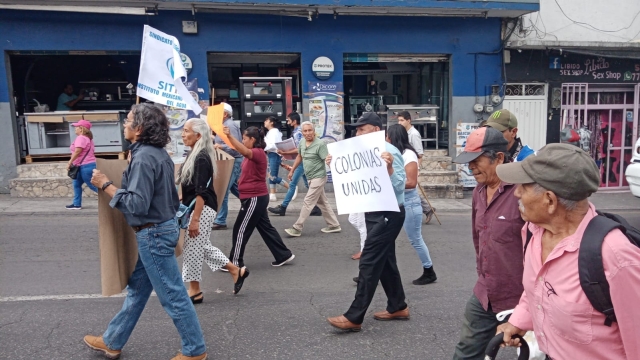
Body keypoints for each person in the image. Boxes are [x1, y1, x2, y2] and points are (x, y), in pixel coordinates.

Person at [496, 143, 640, 360]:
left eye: (523, 187)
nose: (516, 193)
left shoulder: (616, 255)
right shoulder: (533, 232)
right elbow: (537, 286)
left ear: (550, 201)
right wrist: (519, 321)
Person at [86, 103, 207, 360]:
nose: (124, 124)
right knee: (138, 290)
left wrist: (105, 184)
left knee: (173, 296)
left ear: (139, 128)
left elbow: (136, 204)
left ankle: (195, 350)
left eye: (128, 120)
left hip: (153, 234)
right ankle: (112, 340)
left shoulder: (143, 157)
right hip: (161, 229)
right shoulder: (157, 154)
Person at [326, 112, 408, 332]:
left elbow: (402, 185)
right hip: (372, 212)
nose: (357, 132)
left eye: (361, 129)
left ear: (374, 130)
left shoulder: (389, 151)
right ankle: (398, 305)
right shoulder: (357, 152)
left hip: (388, 214)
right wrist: (335, 165)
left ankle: (354, 316)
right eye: (357, 129)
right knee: (386, 261)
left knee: (369, 261)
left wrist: (389, 168)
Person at [450, 126, 525, 360]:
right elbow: (478, 238)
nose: (470, 167)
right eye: (468, 161)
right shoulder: (479, 192)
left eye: (476, 160)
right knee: (465, 354)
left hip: (524, 296)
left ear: (499, 158)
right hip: (486, 292)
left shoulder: (523, 192)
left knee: (536, 354)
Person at [178, 118, 250, 302]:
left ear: (198, 135)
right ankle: (236, 270)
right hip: (196, 207)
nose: (183, 134)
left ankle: (195, 290)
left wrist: (195, 219)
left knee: (193, 248)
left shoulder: (201, 157)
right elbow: (189, 185)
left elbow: (201, 191)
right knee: (201, 246)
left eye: (186, 131)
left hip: (201, 209)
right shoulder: (194, 153)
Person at [221, 125, 296, 268]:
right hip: (255, 196)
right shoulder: (253, 153)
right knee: (266, 228)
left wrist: (230, 136)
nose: (243, 141)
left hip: (254, 197)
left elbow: (242, 150)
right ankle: (283, 254)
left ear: (252, 139)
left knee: (240, 229)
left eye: (244, 138)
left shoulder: (257, 152)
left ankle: (235, 262)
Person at [386, 124, 437, 285]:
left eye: (387, 136)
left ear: (392, 138)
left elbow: (411, 182)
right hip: (392, 202)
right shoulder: (391, 154)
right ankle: (374, 271)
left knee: (415, 239)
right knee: (384, 240)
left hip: (408, 201)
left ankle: (429, 271)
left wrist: (388, 181)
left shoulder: (408, 155)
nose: (385, 139)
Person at [284, 121, 341, 237]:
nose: (308, 133)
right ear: (302, 133)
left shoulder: (320, 144)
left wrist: (332, 163)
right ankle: (334, 225)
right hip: (310, 178)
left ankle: (297, 227)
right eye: (305, 131)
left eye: (310, 130)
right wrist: (292, 170)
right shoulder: (302, 142)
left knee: (308, 201)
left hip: (319, 177)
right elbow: (300, 156)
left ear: (314, 131)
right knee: (323, 202)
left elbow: (327, 159)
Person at [268, 112, 322, 217]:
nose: (287, 122)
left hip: (302, 161)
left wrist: (285, 153)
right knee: (308, 185)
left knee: (292, 185)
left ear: (294, 121)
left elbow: (299, 150)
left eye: (289, 120)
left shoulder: (298, 133)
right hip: (304, 161)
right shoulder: (297, 132)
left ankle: (283, 207)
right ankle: (315, 207)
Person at [397, 111, 436, 224]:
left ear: (408, 120)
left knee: (410, 190)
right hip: (405, 165)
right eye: (398, 120)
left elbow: (419, 154)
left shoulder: (413, 134)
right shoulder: (404, 132)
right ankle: (427, 209)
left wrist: (415, 168)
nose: (400, 123)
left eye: (402, 120)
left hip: (412, 165)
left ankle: (427, 209)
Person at [212, 103, 243, 230]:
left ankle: (221, 220)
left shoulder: (229, 125)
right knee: (234, 188)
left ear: (225, 114)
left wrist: (221, 146)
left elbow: (235, 146)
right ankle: (251, 203)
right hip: (228, 161)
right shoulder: (224, 125)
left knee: (223, 190)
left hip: (232, 161)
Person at [66, 120, 97, 210]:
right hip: (84, 165)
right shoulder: (88, 139)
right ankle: (76, 204)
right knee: (76, 183)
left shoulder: (81, 138)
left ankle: (112, 198)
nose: (75, 129)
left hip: (85, 166)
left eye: (76, 127)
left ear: (81, 129)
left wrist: (70, 162)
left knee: (93, 185)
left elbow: (78, 151)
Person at [263, 116, 290, 201]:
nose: (265, 122)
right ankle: (272, 194)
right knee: (271, 175)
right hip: (272, 154)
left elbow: (273, 145)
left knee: (272, 176)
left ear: (271, 122)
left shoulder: (273, 132)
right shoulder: (272, 131)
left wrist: (263, 147)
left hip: (274, 154)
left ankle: (291, 188)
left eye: (266, 120)